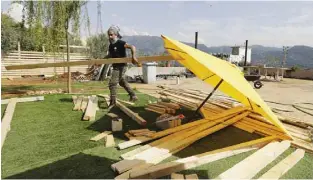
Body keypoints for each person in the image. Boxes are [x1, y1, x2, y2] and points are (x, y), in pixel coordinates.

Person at [106, 25, 141, 109]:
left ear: (115, 34)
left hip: (122, 66)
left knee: (112, 84)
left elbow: (132, 47)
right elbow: (110, 55)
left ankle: (113, 103)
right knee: (121, 82)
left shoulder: (121, 43)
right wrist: (100, 61)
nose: (110, 36)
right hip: (115, 66)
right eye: (109, 35)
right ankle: (133, 95)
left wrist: (133, 56)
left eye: (111, 35)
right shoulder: (111, 45)